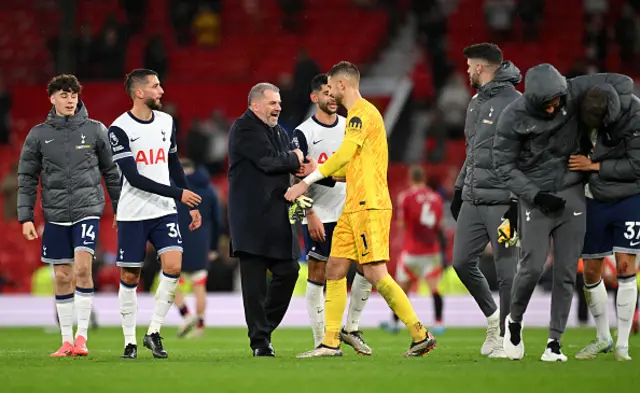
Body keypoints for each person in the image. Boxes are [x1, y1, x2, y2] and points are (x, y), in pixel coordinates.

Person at [287, 61, 436, 358]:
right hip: (353, 206)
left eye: (330, 87)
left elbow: (343, 154)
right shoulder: (359, 116)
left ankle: (420, 334)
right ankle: (330, 342)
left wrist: (307, 182)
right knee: (335, 268)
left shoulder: (361, 114)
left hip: (369, 205)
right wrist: (324, 173)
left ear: (342, 85)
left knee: (374, 271)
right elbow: (349, 166)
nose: (329, 93)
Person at [492, 63, 634, 361]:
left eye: (558, 99)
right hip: (536, 194)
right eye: (549, 103)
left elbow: (622, 82)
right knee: (531, 267)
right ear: (533, 99)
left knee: (567, 272)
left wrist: (614, 105)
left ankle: (554, 342)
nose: (555, 106)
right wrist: (534, 194)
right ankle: (513, 322)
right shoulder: (513, 117)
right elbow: (502, 164)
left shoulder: (571, 90)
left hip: (571, 191)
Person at [17, 74, 121, 357]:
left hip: (87, 209)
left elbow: (111, 172)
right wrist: (26, 216)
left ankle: (82, 338)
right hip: (55, 214)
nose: (70, 99)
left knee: (83, 269)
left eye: (73, 94)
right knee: (62, 276)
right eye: (63, 95)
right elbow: (27, 177)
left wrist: (119, 206)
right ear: (52, 98)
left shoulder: (96, 130)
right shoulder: (38, 135)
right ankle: (65, 341)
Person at [107, 69, 202, 359]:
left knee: (173, 267)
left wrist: (191, 203)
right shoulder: (119, 129)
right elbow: (134, 179)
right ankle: (129, 341)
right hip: (133, 212)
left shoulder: (167, 121)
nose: (161, 90)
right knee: (131, 275)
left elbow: (173, 164)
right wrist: (179, 193)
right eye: (155, 86)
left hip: (164, 211)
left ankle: (153, 332)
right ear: (139, 93)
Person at [449, 43, 522, 358]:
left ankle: (507, 337)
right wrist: (458, 187)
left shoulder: (518, 104)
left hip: (505, 202)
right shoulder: (475, 102)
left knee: (508, 272)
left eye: (469, 66)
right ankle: (494, 320)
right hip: (474, 198)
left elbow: (527, 155)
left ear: (481, 68)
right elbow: (473, 150)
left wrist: (519, 202)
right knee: (461, 263)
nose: (466, 71)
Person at [291, 73, 373, 354]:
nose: (331, 97)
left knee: (367, 268)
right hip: (321, 215)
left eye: (333, 91)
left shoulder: (351, 126)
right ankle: (322, 341)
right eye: (325, 93)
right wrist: (309, 213)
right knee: (318, 272)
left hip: (352, 210)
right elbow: (296, 179)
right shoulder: (303, 133)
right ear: (314, 97)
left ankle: (351, 327)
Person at [227, 82, 303, 357]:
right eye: (272, 103)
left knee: (290, 270)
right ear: (255, 104)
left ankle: (264, 328)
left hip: (278, 215)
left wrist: (297, 164)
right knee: (254, 282)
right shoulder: (244, 128)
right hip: (250, 217)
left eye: (279, 103)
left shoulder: (279, 132)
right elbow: (269, 161)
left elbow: (285, 164)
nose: (278, 108)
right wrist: (295, 158)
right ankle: (260, 342)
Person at [569, 85, 639, 361]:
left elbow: (637, 165)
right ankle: (603, 338)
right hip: (593, 199)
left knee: (625, 267)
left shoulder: (634, 117)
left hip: (629, 198)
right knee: (590, 272)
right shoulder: (577, 119)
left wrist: (594, 166)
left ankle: (623, 344)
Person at [380, 165, 446, 335]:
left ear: (410, 178)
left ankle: (394, 323)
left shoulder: (406, 197)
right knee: (434, 289)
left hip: (412, 251)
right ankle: (438, 323)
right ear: (424, 178)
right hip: (431, 250)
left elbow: (402, 223)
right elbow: (438, 224)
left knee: (402, 290)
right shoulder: (436, 197)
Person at [174, 158, 223, 339]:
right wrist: (213, 247)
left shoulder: (175, 188)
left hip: (177, 241)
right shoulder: (208, 189)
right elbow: (218, 219)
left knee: (170, 281)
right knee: (199, 285)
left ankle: (187, 315)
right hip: (201, 241)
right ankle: (200, 325)